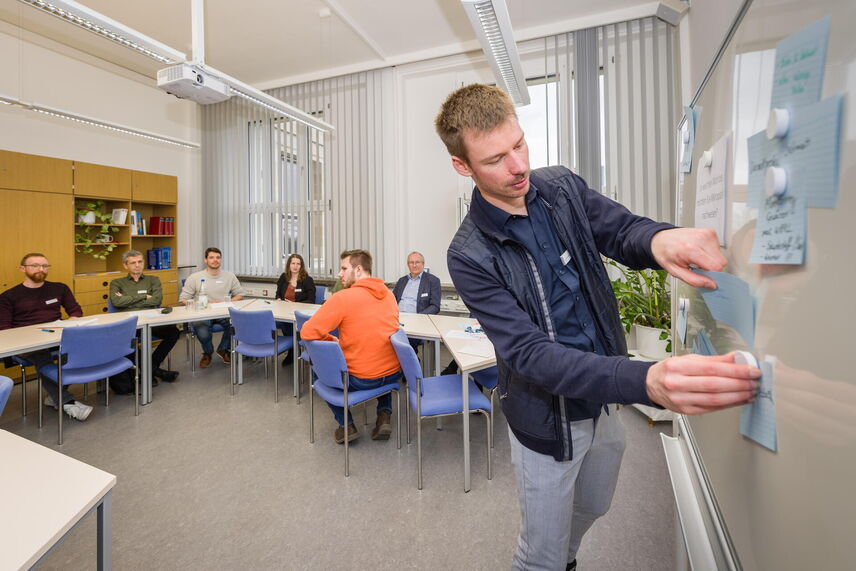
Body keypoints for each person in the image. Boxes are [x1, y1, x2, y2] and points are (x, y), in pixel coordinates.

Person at [435, 84, 761, 571]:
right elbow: (530, 355)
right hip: (546, 420)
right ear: (464, 167)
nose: (518, 165)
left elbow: (621, 230)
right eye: (496, 159)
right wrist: (645, 379)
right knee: (538, 554)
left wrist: (660, 239)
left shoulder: (562, 188)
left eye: (520, 144)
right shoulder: (469, 254)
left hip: (603, 400)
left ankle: (567, 558)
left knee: (594, 505)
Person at [301, 250, 401, 444]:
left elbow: (307, 332)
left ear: (358, 270)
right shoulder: (389, 295)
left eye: (343, 268)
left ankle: (346, 425)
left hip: (362, 379)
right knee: (380, 352)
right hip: (393, 374)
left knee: (317, 368)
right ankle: (383, 416)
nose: (340, 274)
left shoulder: (343, 298)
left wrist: (332, 340)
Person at [0, 253, 93, 420]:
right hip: (26, 344)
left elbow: (76, 311)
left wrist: (69, 323)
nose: (40, 269)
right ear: (23, 268)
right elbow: (5, 329)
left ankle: (54, 395)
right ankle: (67, 402)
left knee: (84, 348)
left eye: (44, 266)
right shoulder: (8, 296)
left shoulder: (59, 288)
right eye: (35, 265)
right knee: (42, 355)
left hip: (56, 336)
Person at [109, 250, 180, 390]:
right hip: (130, 324)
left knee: (173, 332)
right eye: (133, 263)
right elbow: (117, 302)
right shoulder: (117, 282)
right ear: (125, 265)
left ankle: (151, 368)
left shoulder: (153, 280)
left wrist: (128, 301)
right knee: (129, 341)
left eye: (140, 262)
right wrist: (144, 297)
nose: (137, 265)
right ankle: (154, 371)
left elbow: (157, 299)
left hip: (151, 320)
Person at [179, 247, 245, 368]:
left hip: (223, 312)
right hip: (202, 313)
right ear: (205, 260)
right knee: (203, 331)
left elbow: (240, 295)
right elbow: (183, 300)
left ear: (221, 260)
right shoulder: (194, 277)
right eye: (211, 257)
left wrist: (226, 302)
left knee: (237, 324)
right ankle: (208, 352)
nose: (215, 260)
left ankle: (223, 349)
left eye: (218, 257)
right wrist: (203, 304)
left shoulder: (229, 276)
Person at [392, 251, 441, 353]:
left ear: (423, 264)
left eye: (417, 262)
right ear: (408, 265)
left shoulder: (432, 281)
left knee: (405, 341)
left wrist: (417, 318)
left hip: (417, 321)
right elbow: (392, 300)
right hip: (397, 320)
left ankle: (409, 363)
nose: (414, 265)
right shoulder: (402, 281)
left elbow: (435, 306)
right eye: (411, 262)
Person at [275, 253, 316, 366]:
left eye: (298, 264)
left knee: (288, 324)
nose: (295, 266)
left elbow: (311, 301)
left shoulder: (307, 280)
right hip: (284, 312)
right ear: (289, 265)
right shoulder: (283, 277)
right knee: (283, 322)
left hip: (300, 313)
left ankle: (292, 349)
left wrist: (294, 304)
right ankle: (293, 348)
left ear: (301, 266)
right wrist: (278, 299)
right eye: (293, 263)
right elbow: (278, 294)